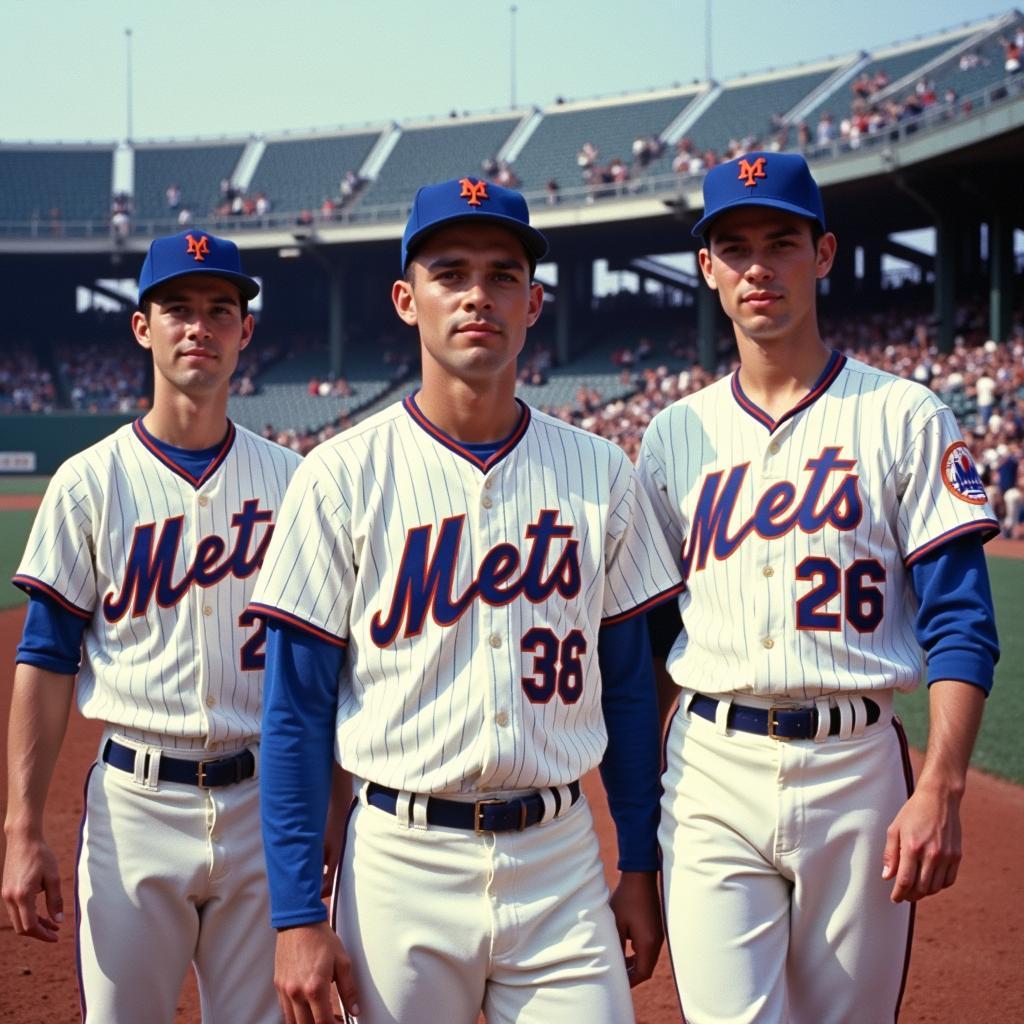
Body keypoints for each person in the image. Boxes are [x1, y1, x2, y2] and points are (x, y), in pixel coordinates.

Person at [249, 177, 683, 1024]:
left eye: (502, 274)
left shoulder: (602, 471)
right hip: (399, 863)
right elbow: (293, 710)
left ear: (534, 302)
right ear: (408, 301)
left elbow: (630, 689)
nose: (478, 294)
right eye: (451, 273)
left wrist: (638, 864)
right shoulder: (339, 476)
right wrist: (298, 913)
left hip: (559, 863)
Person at [638, 152, 1001, 1024]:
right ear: (709, 270)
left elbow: (961, 620)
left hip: (857, 768)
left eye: (782, 243)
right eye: (735, 247)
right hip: (712, 768)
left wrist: (942, 786)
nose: (758, 266)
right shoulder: (671, 436)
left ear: (824, 253)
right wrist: (636, 834)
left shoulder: (905, 415)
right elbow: (649, 646)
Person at [2, 229, 303, 1023]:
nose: (198, 326)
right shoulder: (88, 481)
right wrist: (21, 827)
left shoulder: (296, 484)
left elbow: (326, 668)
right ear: (143, 327)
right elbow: (44, 656)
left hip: (263, 801)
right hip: (135, 805)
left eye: (219, 309)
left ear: (246, 331)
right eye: (177, 308)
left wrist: (326, 816)